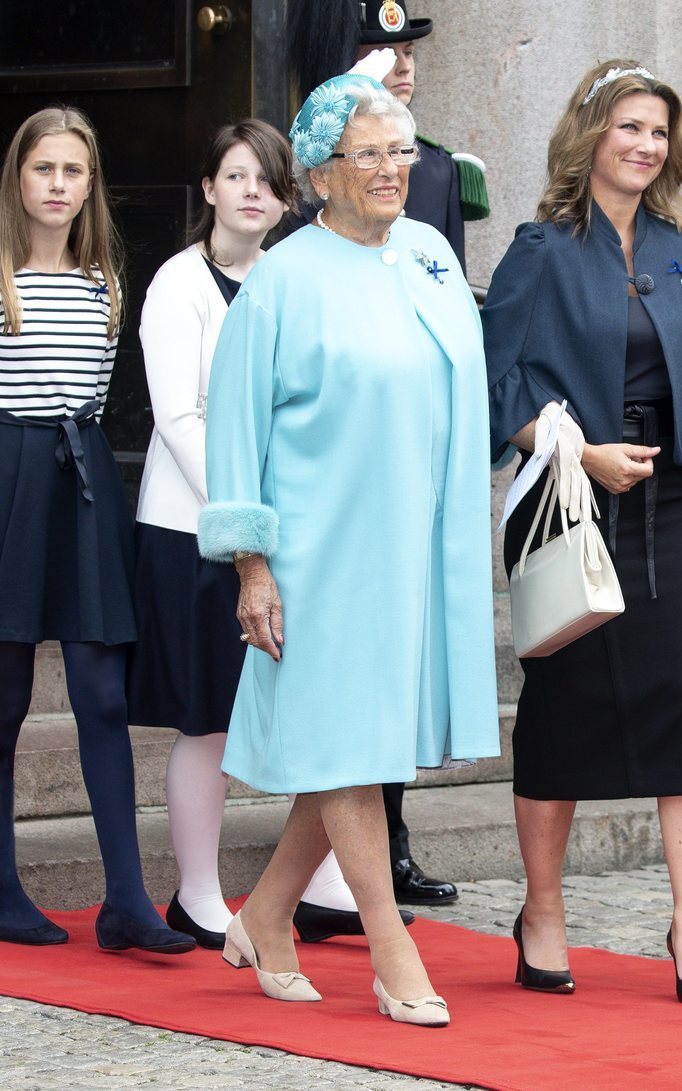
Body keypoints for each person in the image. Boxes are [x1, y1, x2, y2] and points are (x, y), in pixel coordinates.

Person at [197, 69, 499, 1021]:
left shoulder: (430, 257)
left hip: (411, 549)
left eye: (398, 151)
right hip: (314, 555)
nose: (387, 170)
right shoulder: (281, 279)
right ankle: (390, 943)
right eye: (363, 154)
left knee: (357, 750)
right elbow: (234, 427)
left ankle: (269, 913)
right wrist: (252, 561)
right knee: (345, 745)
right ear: (320, 174)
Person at [483, 60, 682, 1004]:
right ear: (591, 133)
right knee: (561, 705)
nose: (646, 145)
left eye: (658, 131)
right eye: (629, 127)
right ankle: (543, 911)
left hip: (679, 501)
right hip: (572, 500)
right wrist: (577, 448)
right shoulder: (538, 249)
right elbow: (500, 394)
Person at [286, 0, 490, 908]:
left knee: (390, 710)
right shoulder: (301, 235)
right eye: (378, 47)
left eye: (406, 50)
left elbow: (439, 314)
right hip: (333, 501)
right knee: (350, 716)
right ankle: (378, 924)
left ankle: (291, 901)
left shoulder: (437, 174)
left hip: (416, 488)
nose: (399, 64)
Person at [0, 107, 194, 954]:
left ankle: (127, 899)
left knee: (103, 692)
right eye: (43, 169)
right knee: (4, 699)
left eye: (72, 172)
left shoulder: (106, 281)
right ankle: (2, 887)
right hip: (7, 477)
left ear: (90, 186)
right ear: (18, 178)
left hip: (80, 490)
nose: (56, 186)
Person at [125, 120, 293, 948]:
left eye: (266, 180)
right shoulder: (176, 283)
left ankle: (327, 880)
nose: (252, 192)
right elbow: (180, 416)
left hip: (278, 525)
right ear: (209, 190)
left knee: (302, 704)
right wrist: (240, 517)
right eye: (237, 177)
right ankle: (196, 892)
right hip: (192, 529)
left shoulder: (289, 281)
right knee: (209, 718)